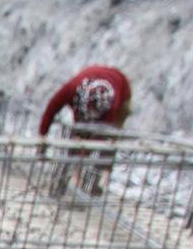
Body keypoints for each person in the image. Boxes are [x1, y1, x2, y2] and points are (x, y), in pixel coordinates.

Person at [38, 66, 132, 196]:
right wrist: (42, 138)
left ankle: (97, 180)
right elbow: (51, 109)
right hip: (91, 90)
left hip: (121, 89)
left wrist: (83, 154)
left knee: (109, 140)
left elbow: (103, 134)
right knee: (79, 133)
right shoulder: (71, 89)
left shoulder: (112, 104)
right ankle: (70, 175)